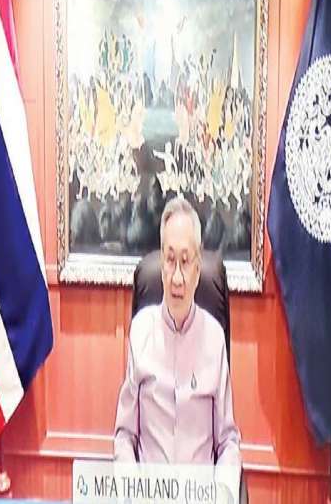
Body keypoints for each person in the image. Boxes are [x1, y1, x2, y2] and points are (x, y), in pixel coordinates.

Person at [113, 196, 240, 465]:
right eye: (170, 260)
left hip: (200, 487)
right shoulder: (140, 332)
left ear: (198, 268)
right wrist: (129, 481)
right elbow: (125, 436)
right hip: (150, 487)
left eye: (185, 261)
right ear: (161, 264)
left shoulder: (214, 338)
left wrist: (224, 486)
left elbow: (228, 442)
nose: (177, 278)